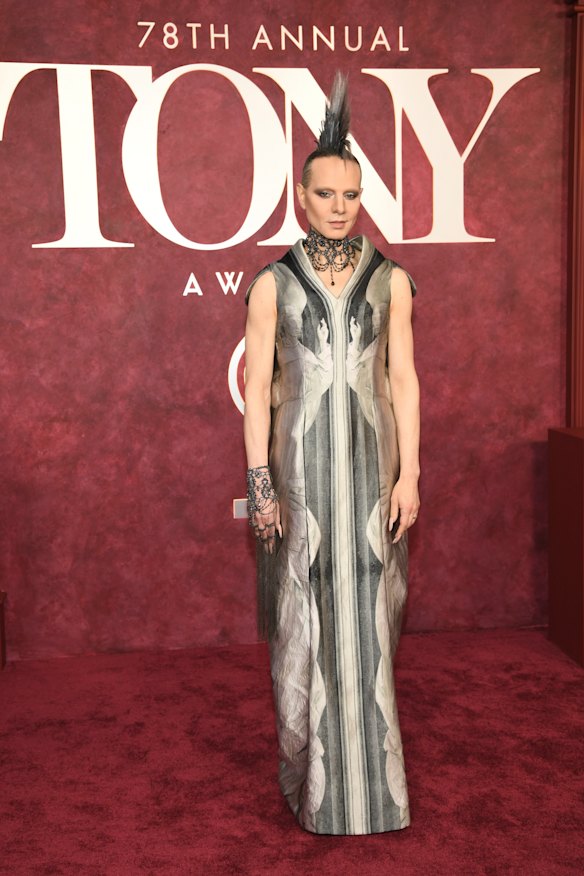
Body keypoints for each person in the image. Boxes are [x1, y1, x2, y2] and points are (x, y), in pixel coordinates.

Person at [243, 72, 421, 836]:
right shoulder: (271, 284)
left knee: (373, 631)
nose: (341, 206)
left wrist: (411, 472)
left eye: (351, 193)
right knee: (302, 634)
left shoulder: (394, 282)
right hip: (304, 487)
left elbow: (403, 380)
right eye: (326, 194)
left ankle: (375, 796)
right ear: (301, 197)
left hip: (374, 485)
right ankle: (312, 784)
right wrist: (260, 485)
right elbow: (258, 390)